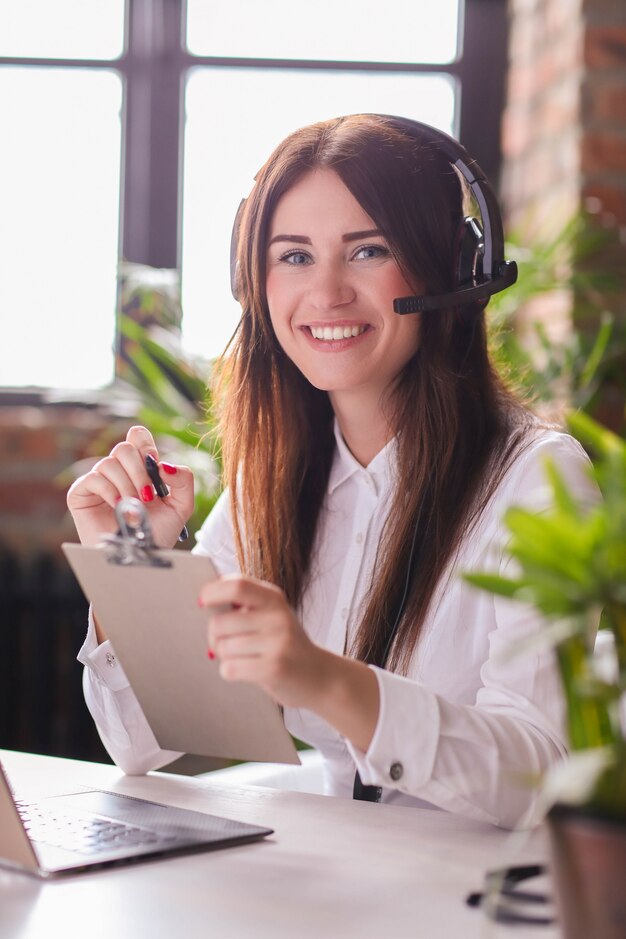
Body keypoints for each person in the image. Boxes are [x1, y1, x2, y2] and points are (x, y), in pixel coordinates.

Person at [68, 113, 597, 829]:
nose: (326, 293)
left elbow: (544, 774)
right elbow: (142, 742)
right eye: (293, 256)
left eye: (368, 250)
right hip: (335, 873)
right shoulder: (276, 471)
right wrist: (129, 557)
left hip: (477, 890)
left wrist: (325, 680)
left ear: (452, 268)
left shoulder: (538, 477)